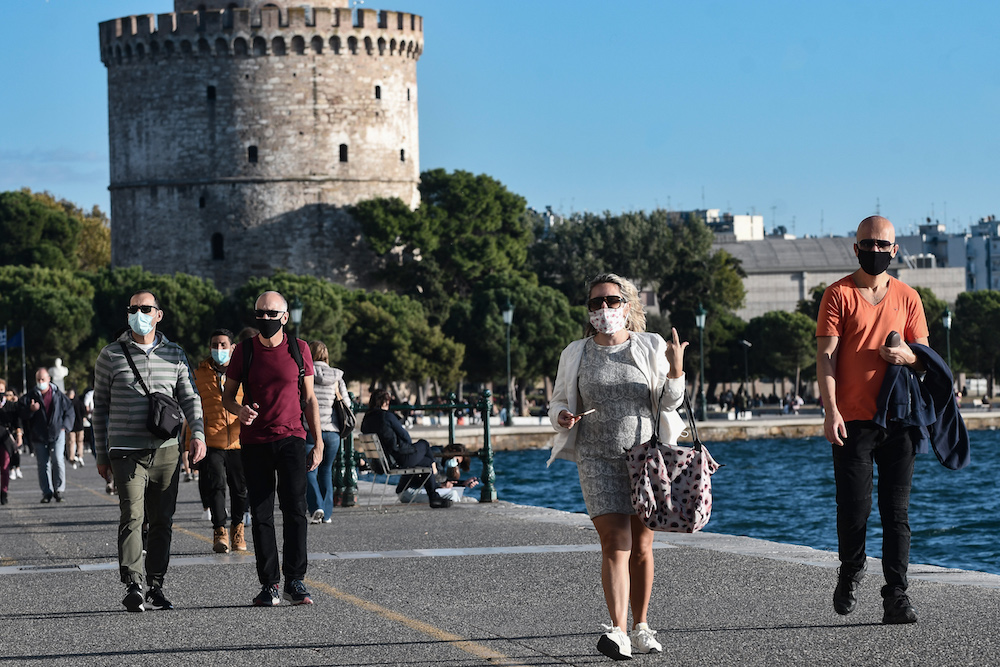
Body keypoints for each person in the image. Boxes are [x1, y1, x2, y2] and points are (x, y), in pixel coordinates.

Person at [548, 273, 687, 660]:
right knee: (615, 543)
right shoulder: (575, 352)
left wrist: (676, 370)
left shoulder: (650, 345)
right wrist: (561, 415)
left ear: (627, 306)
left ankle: (641, 626)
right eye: (596, 303)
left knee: (642, 545)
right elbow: (558, 401)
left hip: (644, 458)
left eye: (611, 301)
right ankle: (618, 630)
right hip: (596, 458)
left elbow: (670, 402)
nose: (604, 309)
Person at [816, 215, 929, 625]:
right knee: (854, 510)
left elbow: (924, 357)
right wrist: (831, 412)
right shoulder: (838, 294)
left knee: (896, 513)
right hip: (852, 422)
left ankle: (896, 596)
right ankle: (851, 567)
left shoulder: (908, 297)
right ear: (856, 247)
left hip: (900, 420)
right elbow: (826, 358)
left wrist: (906, 356)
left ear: (895, 250)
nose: (877, 251)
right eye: (869, 244)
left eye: (884, 245)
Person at [93, 289, 206, 612]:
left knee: (162, 520)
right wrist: (102, 453)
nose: (138, 314)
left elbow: (190, 398)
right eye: (132, 308)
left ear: (159, 314)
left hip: (167, 450)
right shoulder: (110, 355)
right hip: (126, 450)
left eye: (145, 308)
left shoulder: (175, 354)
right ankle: (133, 582)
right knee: (132, 515)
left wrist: (197, 434)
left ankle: (156, 582)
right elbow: (99, 408)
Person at [222, 291, 323, 607]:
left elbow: (309, 400)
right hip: (255, 442)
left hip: (292, 439)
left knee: (295, 511)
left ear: (285, 316)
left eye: (271, 313)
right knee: (262, 514)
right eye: (259, 314)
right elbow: (227, 396)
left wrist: (317, 442)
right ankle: (270, 584)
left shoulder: (299, 349)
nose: (264, 319)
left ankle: (296, 580)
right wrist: (240, 412)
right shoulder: (244, 351)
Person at [192, 328, 248, 554]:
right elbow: (193, 412)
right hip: (211, 441)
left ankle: (238, 529)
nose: (219, 349)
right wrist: (191, 443)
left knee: (240, 489)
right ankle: (219, 531)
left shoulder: (244, 372)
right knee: (215, 487)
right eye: (215, 345)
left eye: (224, 344)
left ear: (233, 347)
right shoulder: (199, 374)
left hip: (239, 442)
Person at [360, 388, 453, 508]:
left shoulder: (366, 420)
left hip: (381, 462)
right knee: (424, 444)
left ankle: (434, 496)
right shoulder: (387, 416)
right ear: (385, 402)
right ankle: (435, 474)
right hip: (398, 459)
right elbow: (406, 437)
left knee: (425, 463)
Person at [305, 340, 347, 524]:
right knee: (326, 470)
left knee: (308, 470)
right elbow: (347, 403)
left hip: (310, 430)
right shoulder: (337, 377)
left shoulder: (305, 374)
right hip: (332, 431)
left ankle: (316, 507)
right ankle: (327, 514)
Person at [20, 368, 75, 503]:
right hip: (39, 435)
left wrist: (65, 427)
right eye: (38, 379)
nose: (40, 382)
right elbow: (22, 415)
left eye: (43, 379)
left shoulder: (58, 394)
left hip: (57, 432)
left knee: (57, 459)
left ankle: (59, 490)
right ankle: (47, 492)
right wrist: (31, 410)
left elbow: (69, 410)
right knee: (43, 464)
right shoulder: (30, 396)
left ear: (49, 379)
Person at [0, 378, 24, 506]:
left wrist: (19, 435)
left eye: (1, 390)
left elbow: (17, 422)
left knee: (5, 466)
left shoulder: (11, 406)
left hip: (5, 438)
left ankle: (3, 492)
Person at [66, 388, 87, 469]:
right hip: (80, 425)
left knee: (71, 443)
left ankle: (72, 458)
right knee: (80, 442)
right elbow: (84, 412)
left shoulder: (67, 403)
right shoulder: (79, 402)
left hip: (70, 426)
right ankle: (80, 456)